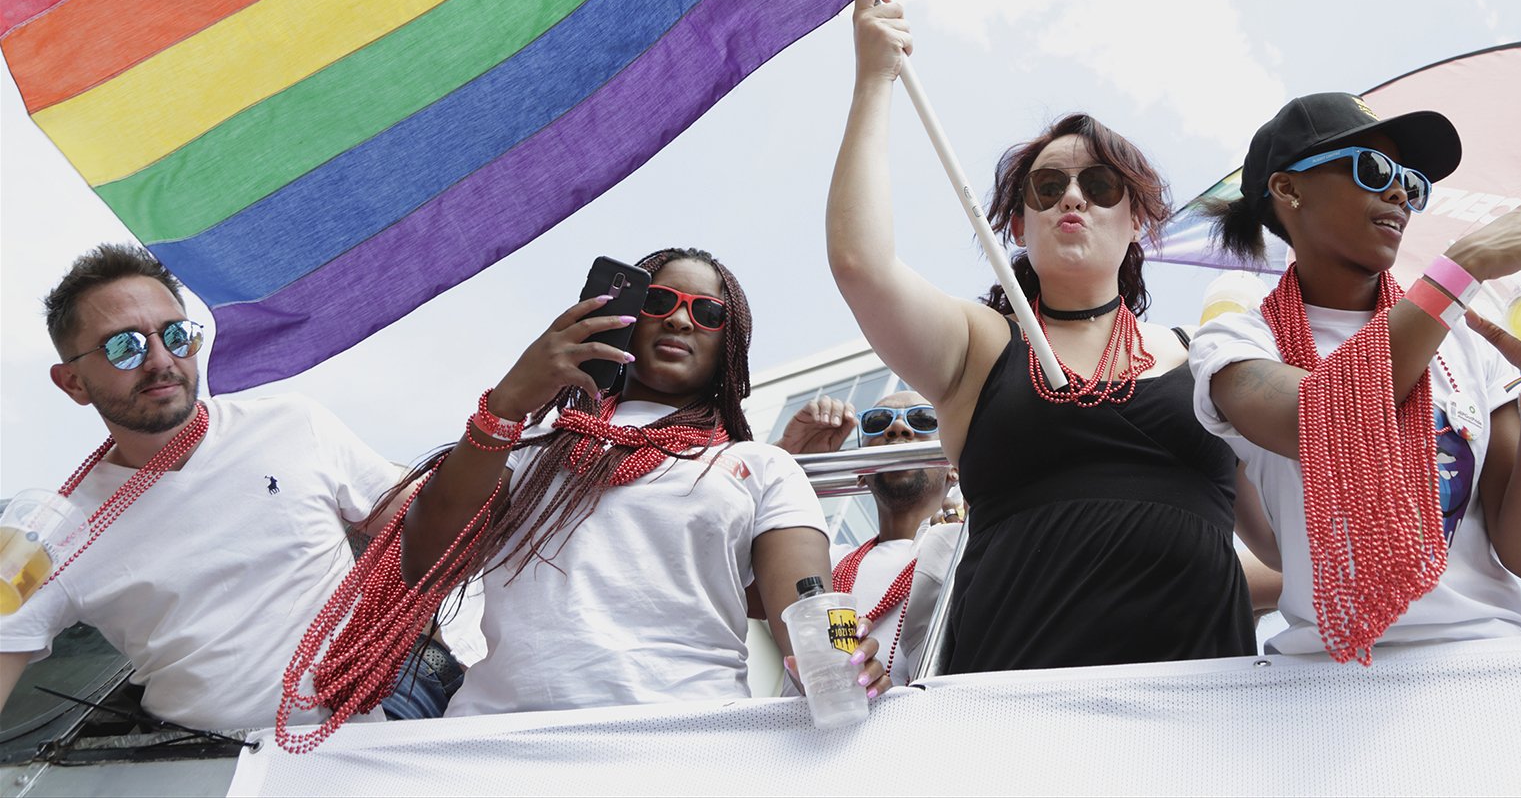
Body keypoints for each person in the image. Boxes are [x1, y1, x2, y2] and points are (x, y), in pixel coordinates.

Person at [827, 0, 1257, 672]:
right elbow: (859, 263)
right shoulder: (980, 343)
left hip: (1199, 703)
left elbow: (1279, 543)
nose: (1074, 198)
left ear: (1137, 219)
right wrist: (873, 80)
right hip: (1018, 703)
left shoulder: (1207, 355)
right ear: (1017, 225)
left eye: (1101, 184)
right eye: (1047, 187)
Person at [364, 247, 890, 718]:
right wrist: (505, 406)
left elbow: (806, 607)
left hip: (675, 747)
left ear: (729, 345)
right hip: (496, 744)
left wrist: (846, 662)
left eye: (708, 313)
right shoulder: (535, 444)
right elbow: (423, 559)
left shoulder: (761, 466)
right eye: (660, 301)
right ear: (627, 316)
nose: (681, 320)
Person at [1189, 93, 1521, 660]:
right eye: (1373, 169)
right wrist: (1462, 266)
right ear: (1288, 189)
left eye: (1412, 181)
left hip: (1483, 661)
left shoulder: (1470, 340)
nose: (1401, 192)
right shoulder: (1237, 341)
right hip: (1326, 678)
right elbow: (1317, 417)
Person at [0, 243, 404, 730]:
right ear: (73, 384)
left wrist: (388, 624)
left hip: (358, 745)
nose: (159, 360)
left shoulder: (293, 424)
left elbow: (434, 525)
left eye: (176, 335)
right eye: (123, 346)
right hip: (195, 768)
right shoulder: (60, 527)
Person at [777, 389, 965, 684]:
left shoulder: (966, 546)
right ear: (861, 471)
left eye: (923, 419)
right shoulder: (824, 560)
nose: (898, 428)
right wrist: (785, 463)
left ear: (953, 467)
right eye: (878, 422)